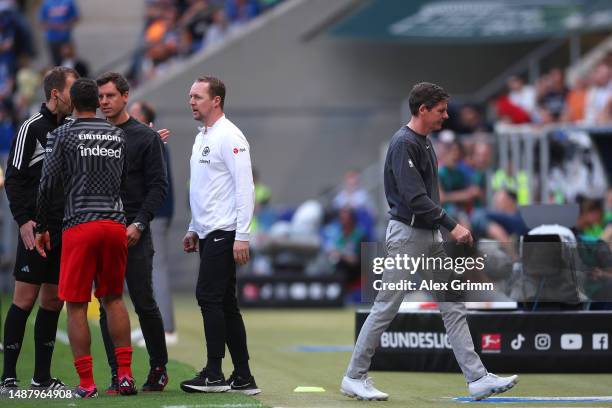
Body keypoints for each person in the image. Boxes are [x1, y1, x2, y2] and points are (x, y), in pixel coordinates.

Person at [340, 82, 518, 401]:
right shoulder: (403, 143)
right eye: (440, 110)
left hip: (428, 237)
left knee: (452, 304)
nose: (446, 116)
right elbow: (415, 198)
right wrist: (453, 225)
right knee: (386, 307)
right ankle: (354, 375)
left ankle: (477, 378)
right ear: (422, 110)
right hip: (408, 237)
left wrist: (441, 229)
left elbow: (425, 199)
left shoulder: (423, 142)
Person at [34, 78, 136, 398]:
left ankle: (87, 383)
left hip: (80, 224)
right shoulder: (117, 134)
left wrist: (41, 227)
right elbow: (122, 178)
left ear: (73, 103)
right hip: (114, 223)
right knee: (114, 299)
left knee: (76, 305)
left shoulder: (61, 134)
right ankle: (126, 377)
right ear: (97, 101)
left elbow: (48, 183)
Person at [180, 76, 260, 395]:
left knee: (209, 297)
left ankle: (214, 373)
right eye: (190, 96)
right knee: (225, 303)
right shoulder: (202, 137)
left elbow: (245, 188)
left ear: (216, 101)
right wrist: (192, 227)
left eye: (197, 96)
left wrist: (243, 235)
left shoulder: (230, 135)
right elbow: (204, 190)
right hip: (208, 231)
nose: (191, 101)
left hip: (225, 233)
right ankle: (242, 377)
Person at [1, 67, 78, 395]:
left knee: (52, 301)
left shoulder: (75, 128)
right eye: (73, 90)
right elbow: (14, 179)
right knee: (24, 299)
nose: (76, 97)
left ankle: (42, 377)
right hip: (36, 229)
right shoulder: (31, 128)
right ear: (56, 93)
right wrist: (23, 221)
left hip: (66, 230)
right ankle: (7, 377)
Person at [95, 72, 169, 393]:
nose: (104, 103)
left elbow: (158, 187)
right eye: (100, 97)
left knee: (143, 302)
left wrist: (139, 223)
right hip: (103, 231)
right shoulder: (93, 137)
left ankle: (158, 367)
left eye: (110, 96)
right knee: (106, 303)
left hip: (135, 231)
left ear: (125, 96)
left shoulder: (145, 138)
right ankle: (117, 373)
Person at [128, 100, 177, 345]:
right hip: (148, 213)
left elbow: (156, 183)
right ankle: (152, 327)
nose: (130, 116)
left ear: (148, 120)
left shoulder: (154, 141)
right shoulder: (144, 140)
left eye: (135, 114)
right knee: (146, 272)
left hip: (156, 214)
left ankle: (167, 329)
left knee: (158, 269)